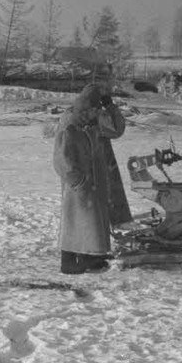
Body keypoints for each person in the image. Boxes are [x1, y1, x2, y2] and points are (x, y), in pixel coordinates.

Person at [53, 83, 129, 275]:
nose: (98, 113)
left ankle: (92, 255)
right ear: (88, 107)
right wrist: (77, 180)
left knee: (93, 218)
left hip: (94, 178)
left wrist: (110, 107)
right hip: (79, 182)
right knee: (77, 219)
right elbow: (62, 157)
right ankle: (69, 261)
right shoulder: (71, 123)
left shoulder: (90, 121)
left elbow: (116, 129)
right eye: (96, 109)